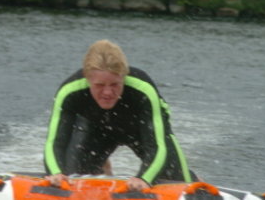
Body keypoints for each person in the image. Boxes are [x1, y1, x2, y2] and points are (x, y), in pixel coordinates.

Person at [44, 39, 196, 191]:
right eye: (99, 85)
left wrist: (144, 179)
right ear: (87, 79)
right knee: (73, 175)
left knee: (174, 178)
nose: (107, 92)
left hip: (140, 131)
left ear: (124, 77)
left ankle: (194, 178)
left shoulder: (143, 90)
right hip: (97, 130)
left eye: (115, 84)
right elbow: (55, 142)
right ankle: (103, 168)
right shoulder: (69, 92)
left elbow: (157, 146)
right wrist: (56, 173)